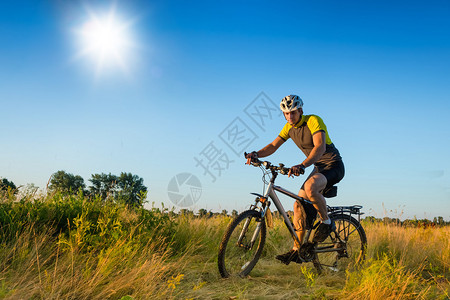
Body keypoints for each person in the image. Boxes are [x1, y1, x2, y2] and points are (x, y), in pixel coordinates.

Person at [245, 94, 345, 265]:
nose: (290, 116)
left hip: (332, 165)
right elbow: (273, 145)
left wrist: (302, 165)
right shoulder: (288, 128)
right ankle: (297, 250)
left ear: (300, 110)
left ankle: (326, 222)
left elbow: (320, 147)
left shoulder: (313, 120)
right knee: (298, 204)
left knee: (311, 187)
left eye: (293, 112)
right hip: (317, 168)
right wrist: (256, 154)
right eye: (286, 113)